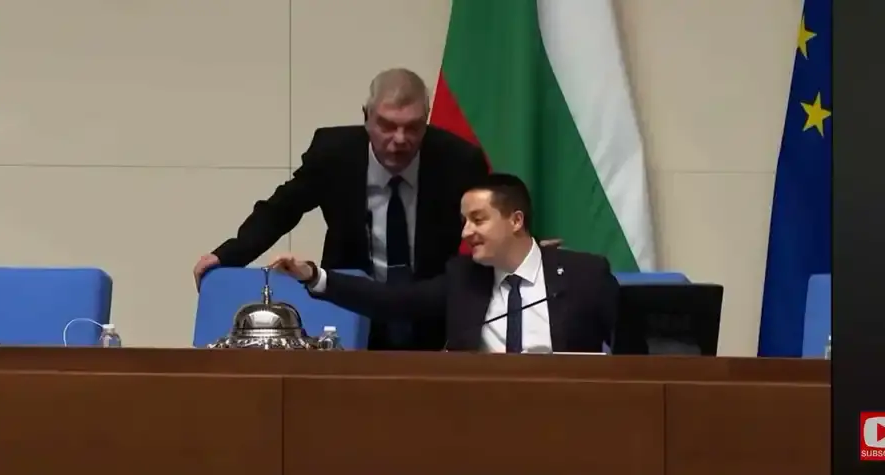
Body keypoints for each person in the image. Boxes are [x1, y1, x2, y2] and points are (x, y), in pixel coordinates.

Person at [194, 68, 489, 351]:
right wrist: (226, 256)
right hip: (348, 305)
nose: (399, 140)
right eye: (387, 126)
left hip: (431, 312)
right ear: (366, 117)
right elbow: (281, 209)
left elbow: (490, 225)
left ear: (426, 121)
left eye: (412, 127)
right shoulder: (334, 153)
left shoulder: (459, 161)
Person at [269, 173, 619, 353]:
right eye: (464, 221)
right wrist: (314, 276)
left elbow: (633, 349)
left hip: (568, 415)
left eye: (478, 220)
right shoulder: (464, 277)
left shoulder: (584, 275)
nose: (466, 232)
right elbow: (393, 302)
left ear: (516, 220)